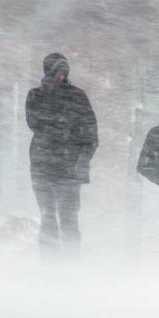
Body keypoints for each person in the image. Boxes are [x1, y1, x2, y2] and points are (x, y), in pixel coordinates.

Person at [26, 53, 98, 260]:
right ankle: (51, 264)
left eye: (64, 70)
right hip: (44, 167)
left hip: (68, 168)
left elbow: (91, 134)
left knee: (69, 218)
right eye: (57, 70)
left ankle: (71, 264)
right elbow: (34, 123)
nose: (61, 75)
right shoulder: (36, 95)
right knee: (48, 217)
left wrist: (83, 159)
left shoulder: (77, 96)